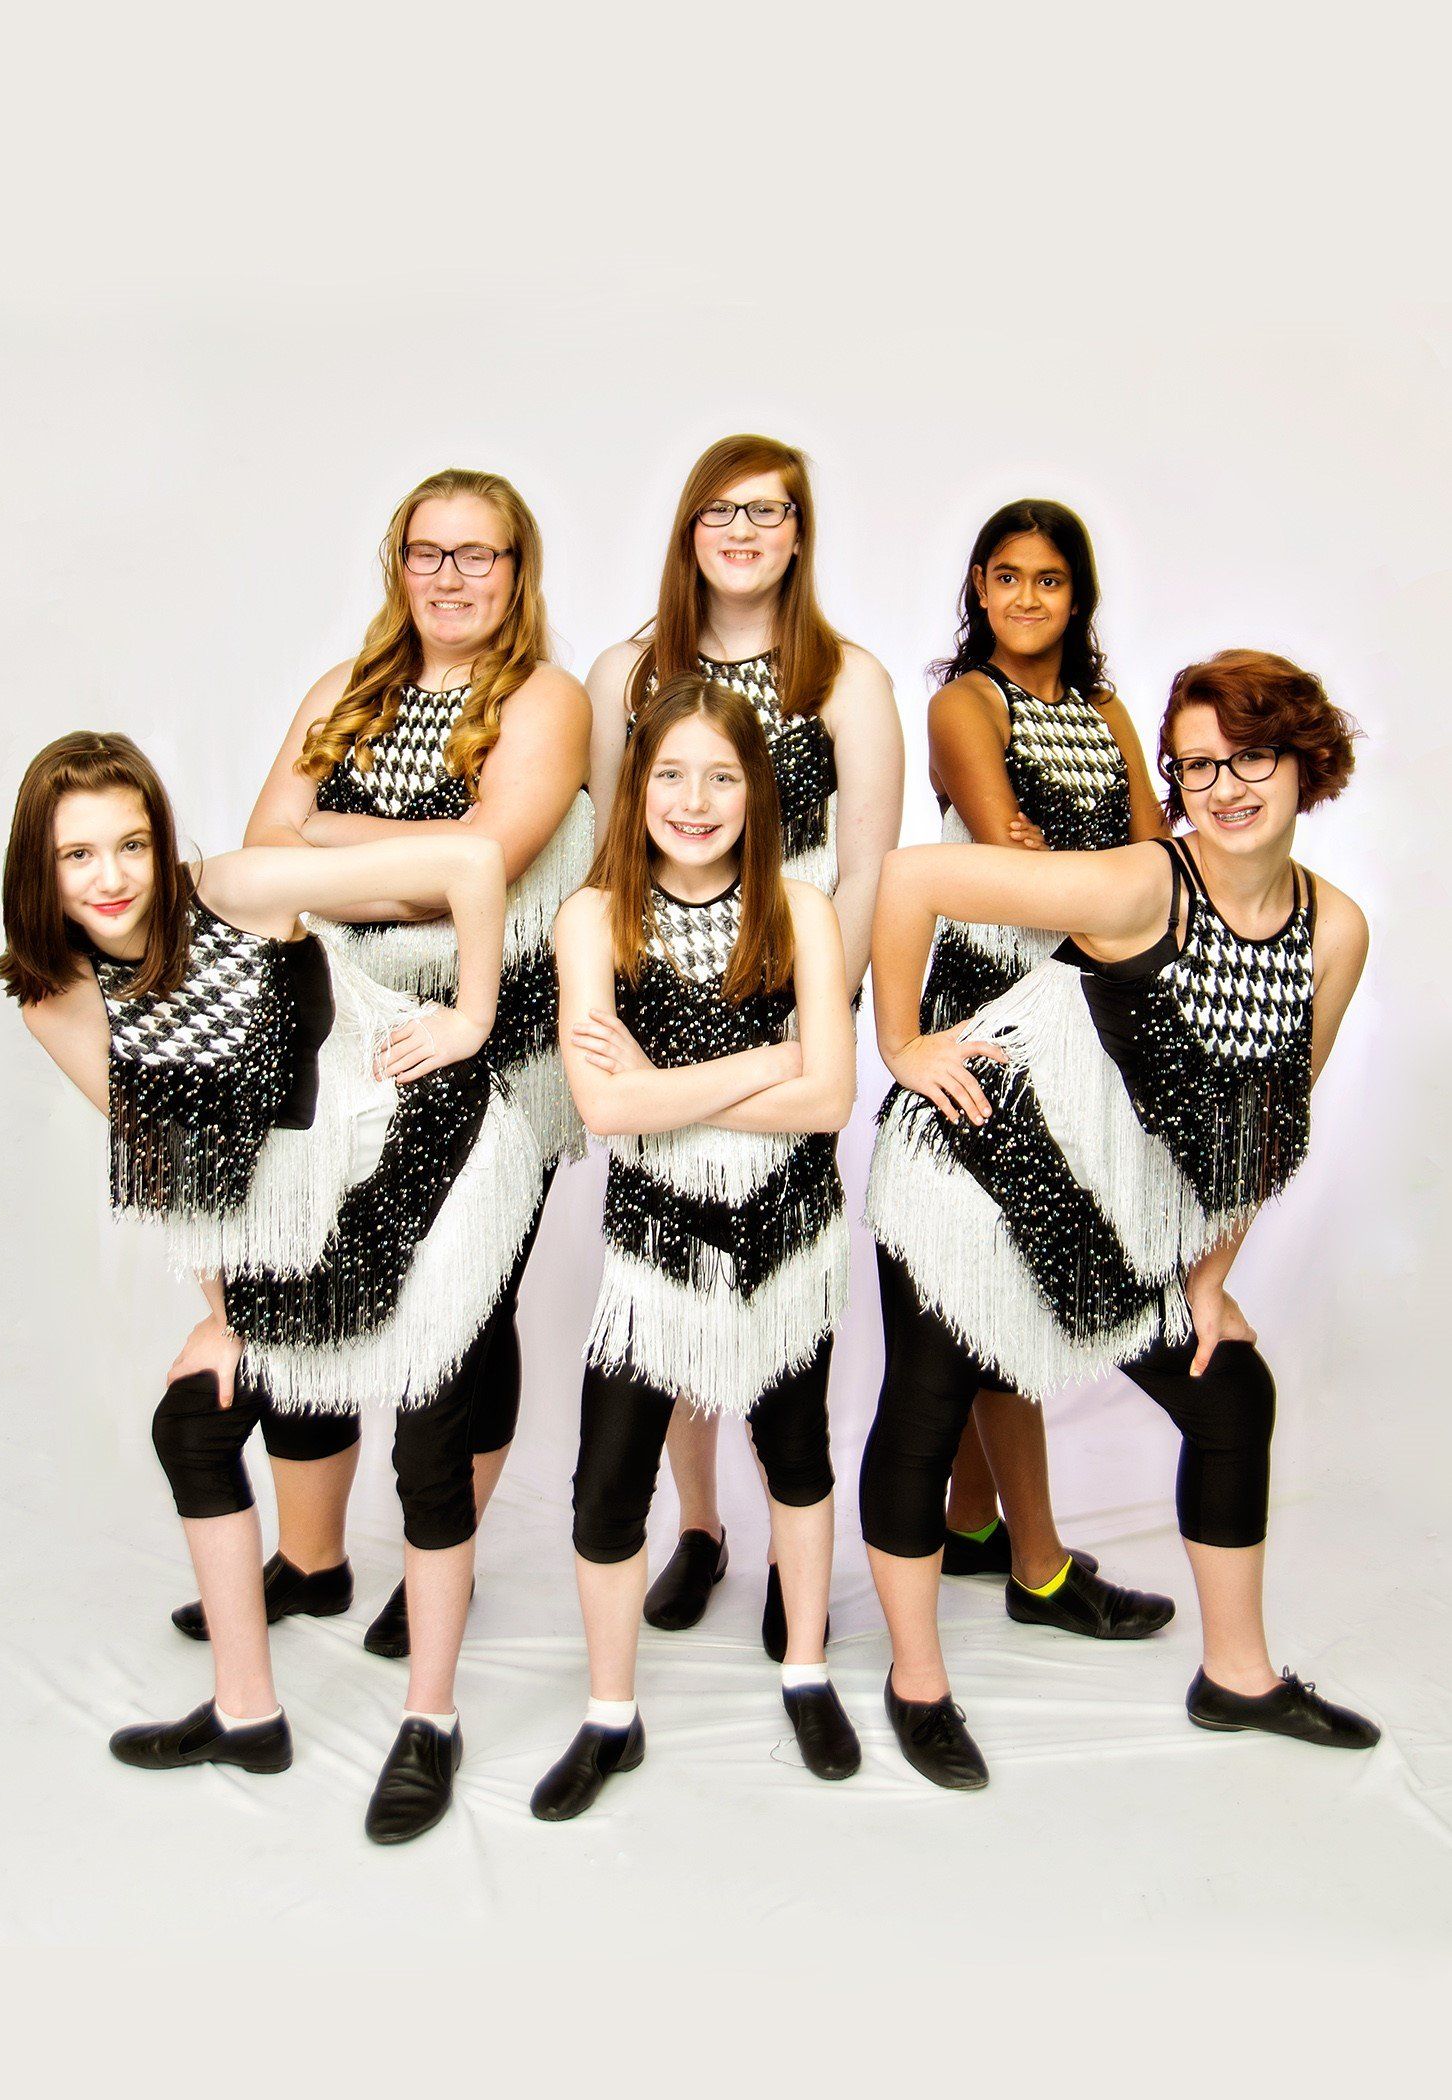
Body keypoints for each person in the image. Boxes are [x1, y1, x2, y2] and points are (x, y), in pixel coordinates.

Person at [0, 731, 541, 1843]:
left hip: (436, 1155)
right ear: (38, 873)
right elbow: (175, 1160)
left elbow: (474, 866)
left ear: (162, 842)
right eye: (78, 857)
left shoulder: (239, 892)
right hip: (312, 1209)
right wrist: (228, 1319)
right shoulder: (57, 996)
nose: (113, 878)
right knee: (192, 1426)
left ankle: (428, 1721)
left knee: (429, 1441)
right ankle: (248, 1713)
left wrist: (473, 1017)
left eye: (132, 844)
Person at [862, 650, 1380, 1788]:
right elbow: (907, 881)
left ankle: (1235, 1675)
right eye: (1195, 766)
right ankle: (916, 1684)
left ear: (1306, 762)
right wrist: (902, 1047)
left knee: (1231, 1394)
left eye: (1251, 756)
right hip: (975, 1168)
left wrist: (1207, 1278)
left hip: (1104, 1215)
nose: (1225, 787)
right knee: (928, 1405)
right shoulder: (1141, 883)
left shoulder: (1332, 932)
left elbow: (1263, 1126)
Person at [170, 466, 592, 1660]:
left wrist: (335, 844)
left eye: (479, 555)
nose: (451, 577)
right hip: (346, 1026)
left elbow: (490, 863)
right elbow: (260, 859)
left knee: (461, 1311)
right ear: (399, 565)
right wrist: (415, 864)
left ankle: (433, 1562)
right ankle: (308, 1563)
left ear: (519, 571)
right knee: (307, 1264)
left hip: (486, 1036)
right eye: (429, 553)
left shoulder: (546, 700)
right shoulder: (346, 688)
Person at [587, 434, 902, 1655]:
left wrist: (816, 1007)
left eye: (768, 512)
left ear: (799, 532)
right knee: (674, 1276)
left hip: (795, 979)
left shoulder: (847, 678)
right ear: (687, 526)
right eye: (720, 509)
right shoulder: (630, 666)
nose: (743, 531)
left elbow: (870, 858)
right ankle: (702, 1527)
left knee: (778, 1284)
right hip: (664, 997)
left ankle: (792, 1554)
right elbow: (615, 847)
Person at [531, 675, 861, 1820]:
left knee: (799, 1454)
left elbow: (831, 1101)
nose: (696, 797)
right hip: (655, 1249)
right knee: (602, 1488)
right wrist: (767, 1061)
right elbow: (605, 1113)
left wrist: (667, 1085)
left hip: (785, 1236)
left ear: (757, 791)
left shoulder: (801, 907)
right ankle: (610, 1715)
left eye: (723, 775)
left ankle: (808, 1667)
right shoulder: (592, 917)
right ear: (638, 786)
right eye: (671, 772)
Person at [920, 498, 1174, 1639]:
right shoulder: (963, 703)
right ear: (979, 587)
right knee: (1003, 1277)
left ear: (1078, 597)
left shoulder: (1110, 706)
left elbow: (1160, 849)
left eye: (1050, 581)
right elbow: (1003, 843)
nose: (1027, 599)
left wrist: (1089, 854)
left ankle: (972, 1521)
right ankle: (1040, 1566)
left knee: (1015, 1268)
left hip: (1080, 1009)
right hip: (986, 1013)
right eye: (1007, 577)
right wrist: (1101, 858)